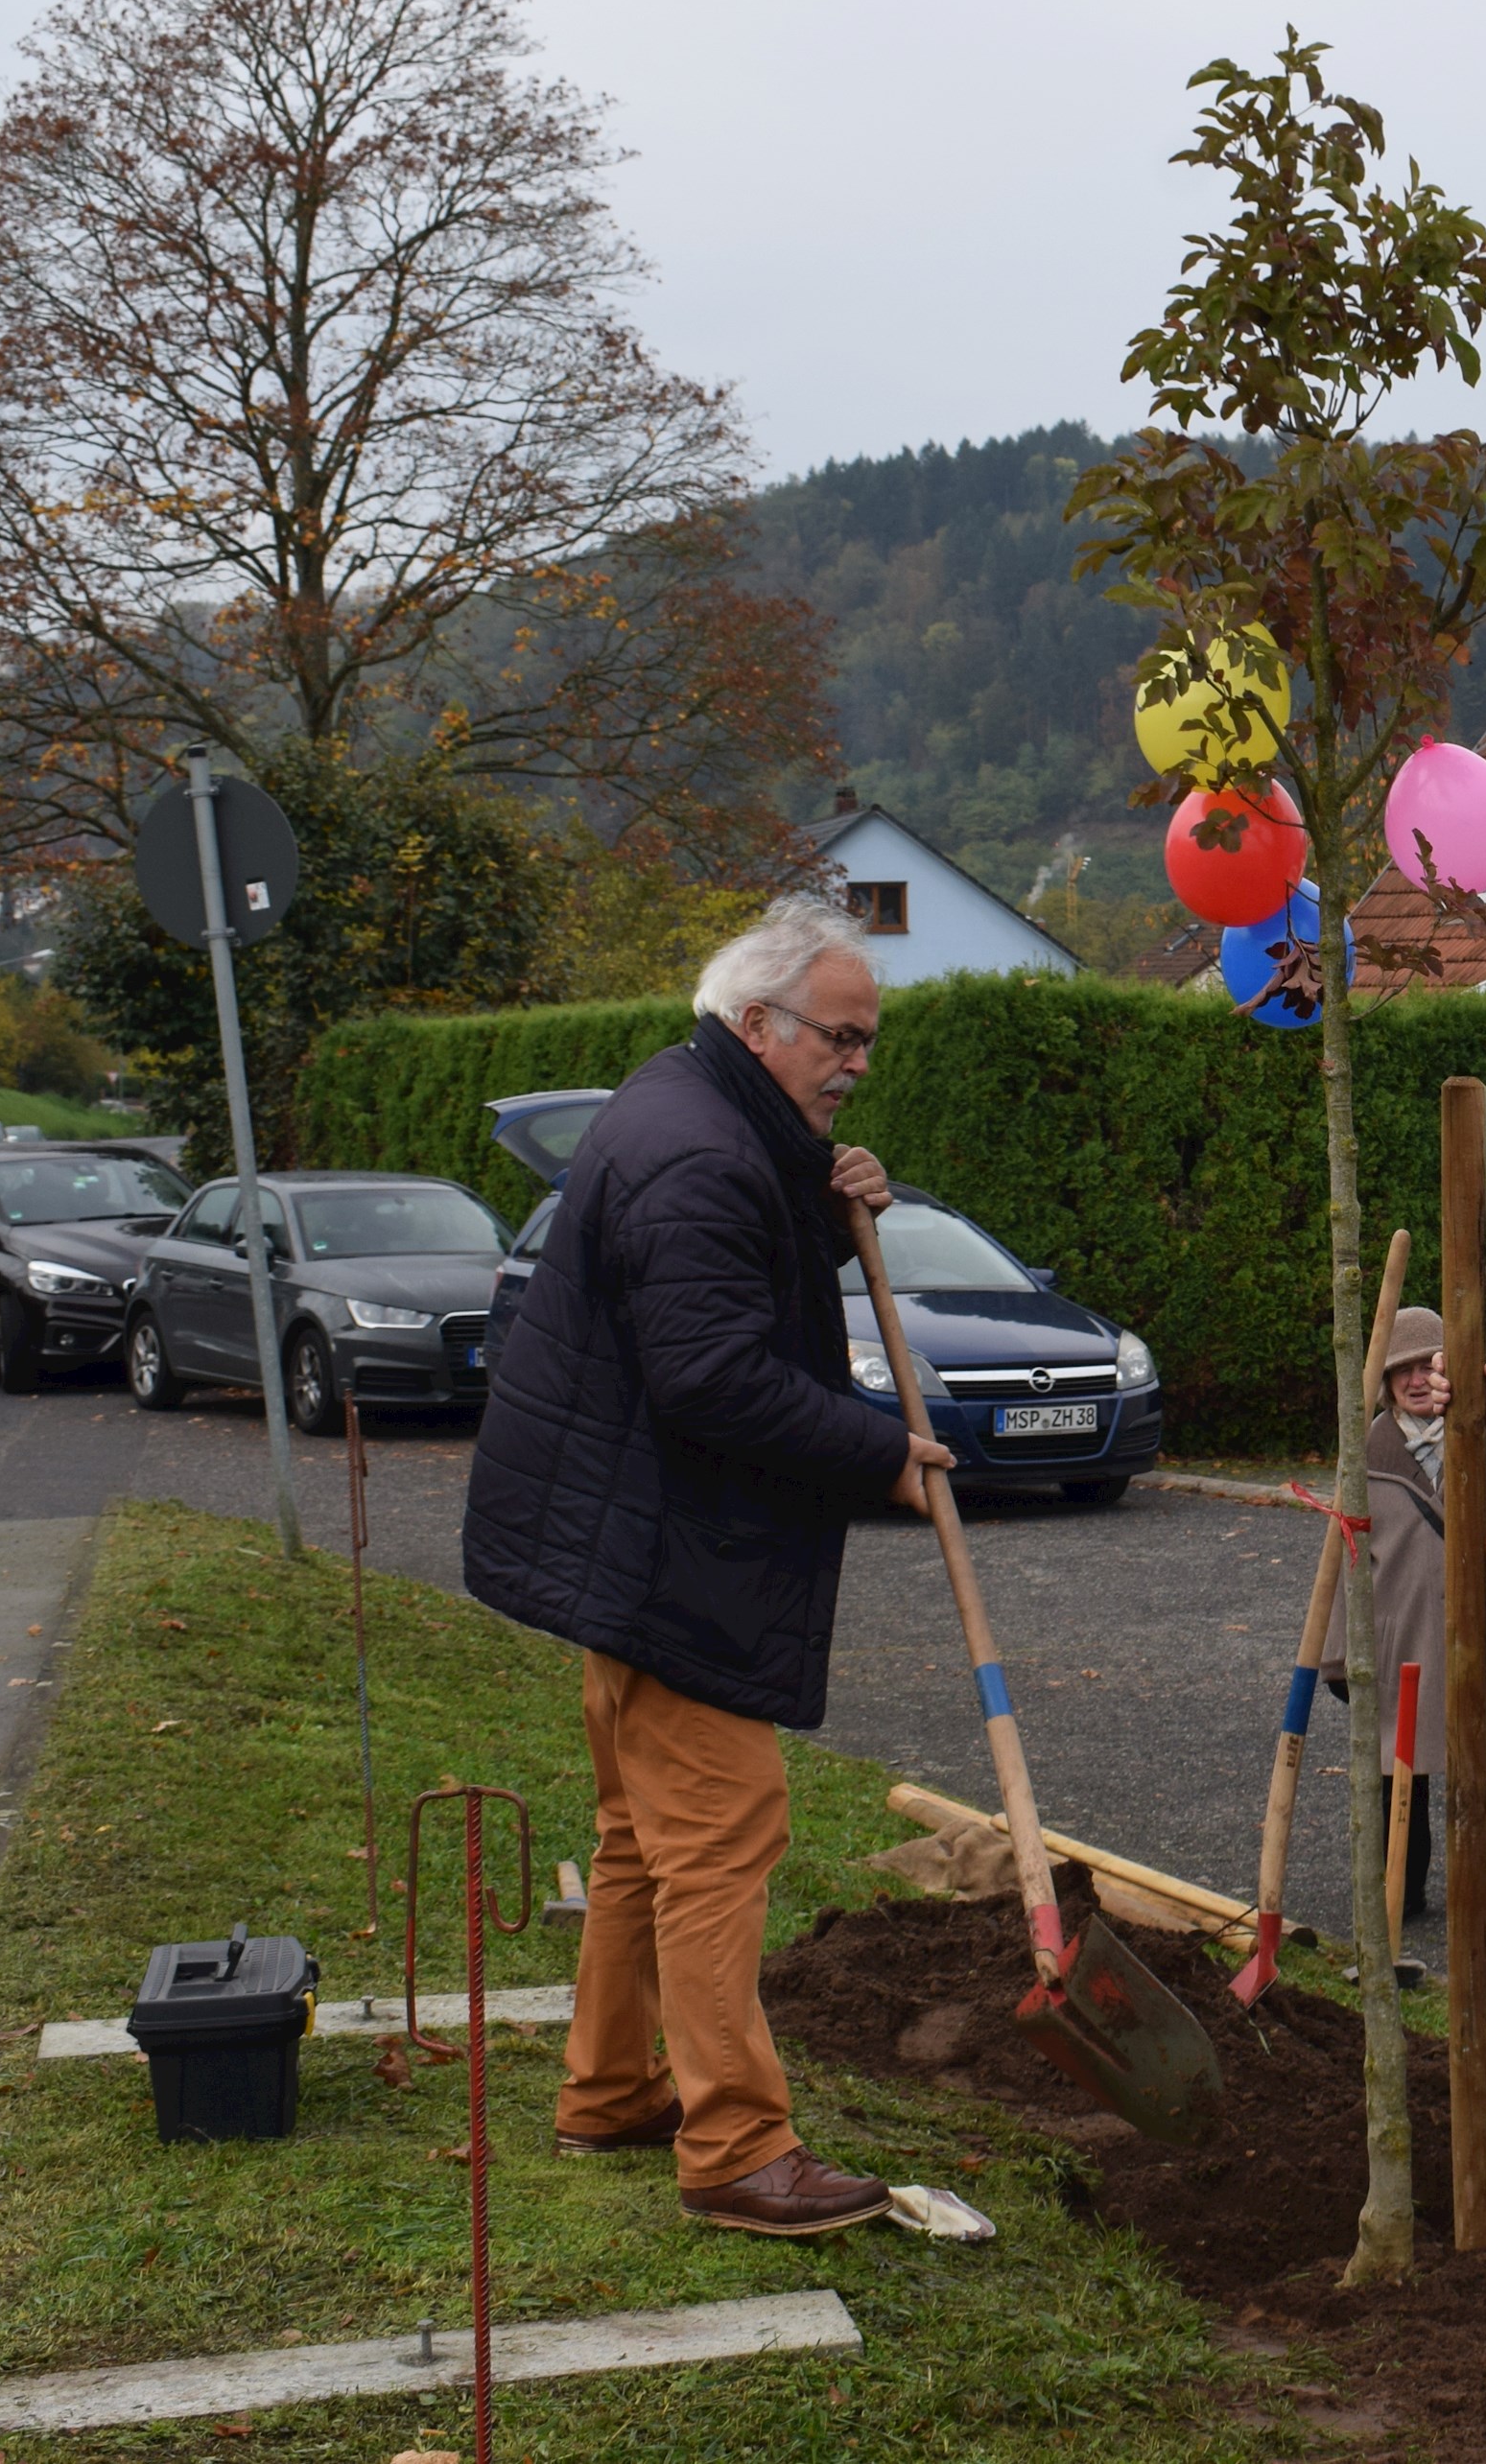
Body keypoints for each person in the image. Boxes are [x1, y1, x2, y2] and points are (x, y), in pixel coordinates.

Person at [461, 893, 955, 2238]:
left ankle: (614, 2083)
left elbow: (721, 1293)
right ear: (757, 1020)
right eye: (837, 1038)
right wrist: (879, 1452)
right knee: (724, 1836)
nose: (855, 1062)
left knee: (638, 1836)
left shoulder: (700, 1110)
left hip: (628, 1534)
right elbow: (711, 1375)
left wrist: (824, 1179)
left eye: (868, 1043)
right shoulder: (701, 1153)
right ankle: (735, 2142)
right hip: (667, 1550)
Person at [1318, 1305, 1486, 1933]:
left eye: (1431, 1366)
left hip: (1477, 1632)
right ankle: (1402, 1884)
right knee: (1400, 1772)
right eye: (1404, 1369)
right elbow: (1345, 1561)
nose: (1419, 1379)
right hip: (1398, 1636)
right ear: (1387, 1379)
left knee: (1485, 1771)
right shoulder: (1365, 1451)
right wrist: (1341, 1651)